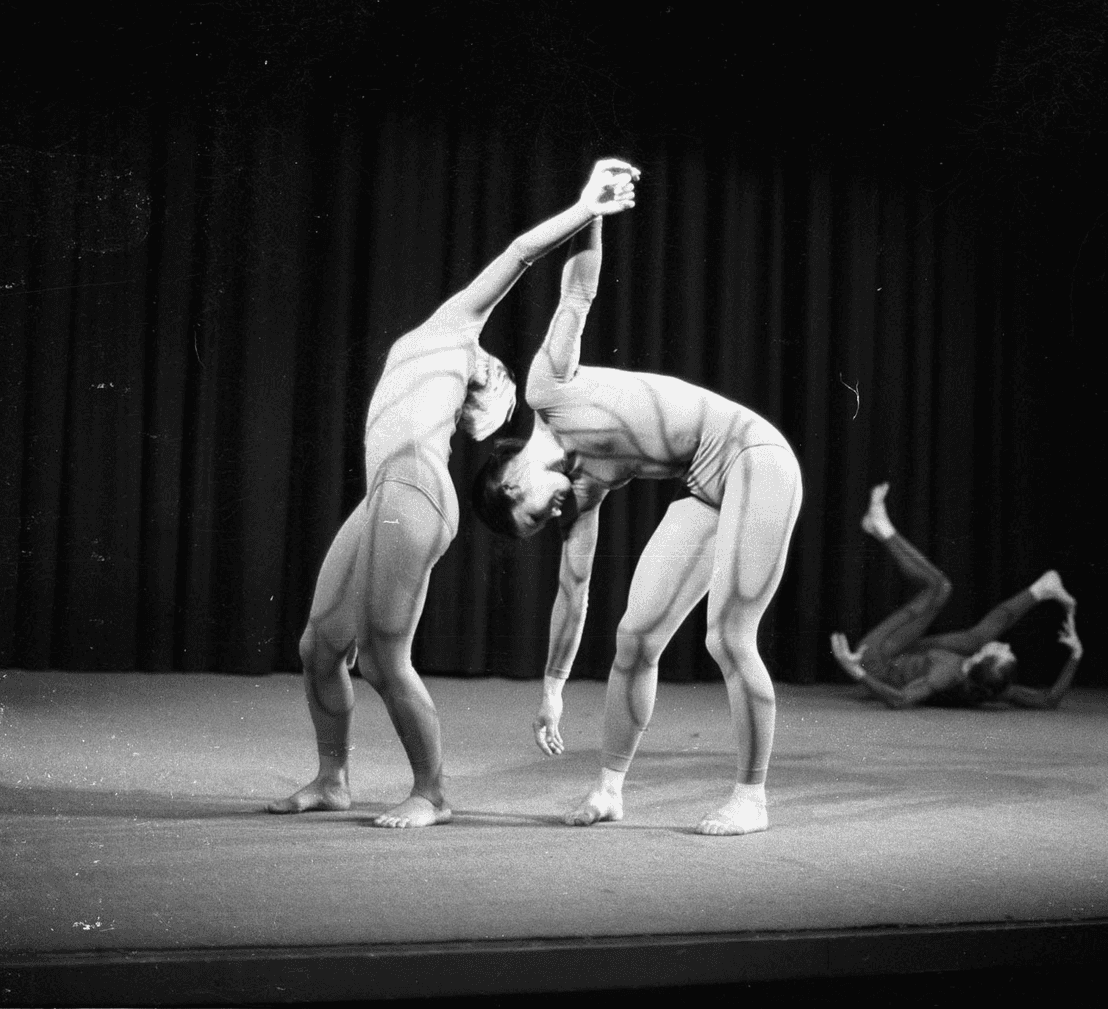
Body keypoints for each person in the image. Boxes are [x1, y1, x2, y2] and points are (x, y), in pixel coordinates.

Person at [268, 159, 641, 827]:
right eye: (495, 398)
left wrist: (594, 220)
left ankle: (431, 792)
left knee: (385, 658)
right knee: (319, 646)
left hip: (415, 491)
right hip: (380, 495)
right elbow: (523, 254)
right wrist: (589, 207)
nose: (493, 410)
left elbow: (561, 309)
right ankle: (332, 778)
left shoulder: (450, 395)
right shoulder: (457, 327)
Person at [471, 168, 804, 836]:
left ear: (512, 478)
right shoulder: (585, 489)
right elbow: (574, 594)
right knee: (634, 638)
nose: (551, 515)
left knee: (726, 634)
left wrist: (591, 209)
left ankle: (751, 795)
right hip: (705, 485)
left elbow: (579, 291)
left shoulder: (546, 390)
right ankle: (610, 787)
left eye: (534, 512)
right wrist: (552, 690)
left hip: (752, 455)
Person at [828, 483, 1082, 709]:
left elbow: (900, 699)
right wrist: (1075, 655)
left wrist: (855, 671)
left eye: (1002, 651)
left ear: (976, 663)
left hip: (875, 660)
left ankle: (882, 528)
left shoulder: (944, 673)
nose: (1006, 645)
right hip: (909, 657)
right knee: (975, 639)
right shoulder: (991, 685)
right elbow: (1048, 699)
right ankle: (1042, 589)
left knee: (939, 587)